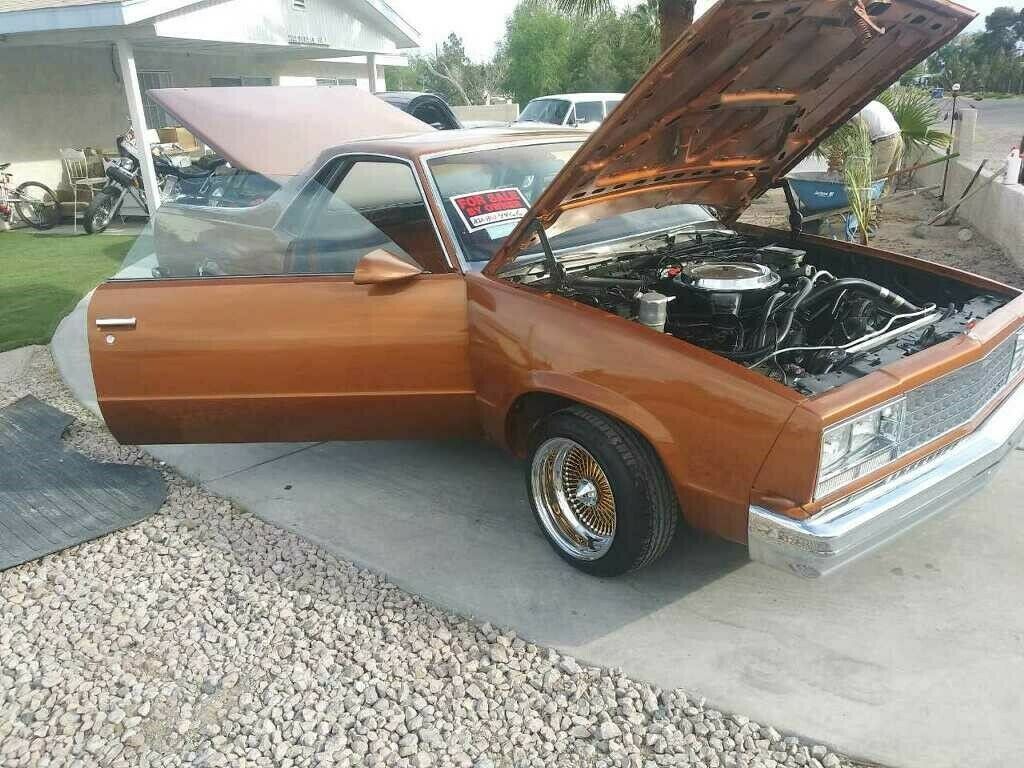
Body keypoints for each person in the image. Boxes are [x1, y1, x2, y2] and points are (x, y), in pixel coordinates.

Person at [856, 100, 902, 188]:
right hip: (897, 135)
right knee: (890, 174)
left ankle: (872, 196)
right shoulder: (873, 103)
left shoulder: (855, 112)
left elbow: (863, 131)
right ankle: (884, 195)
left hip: (885, 140)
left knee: (876, 176)